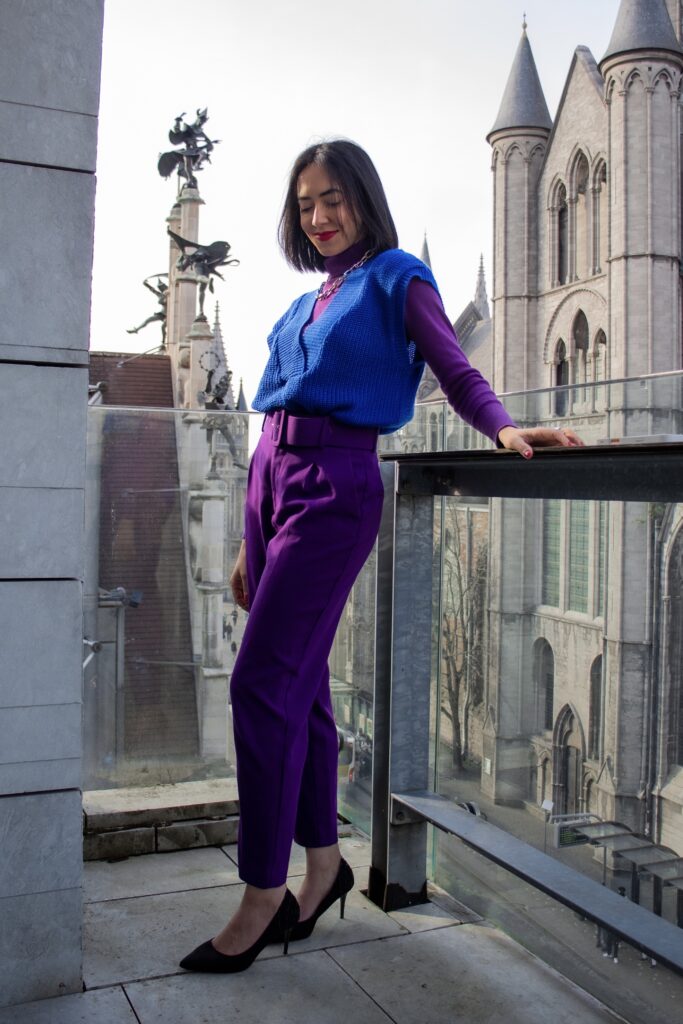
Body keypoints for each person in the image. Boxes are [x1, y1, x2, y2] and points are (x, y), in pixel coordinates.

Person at [180, 139, 582, 974]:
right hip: (270, 481)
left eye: (333, 199)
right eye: (304, 206)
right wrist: (247, 538)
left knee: (259, 685)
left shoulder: (398, 276)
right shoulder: (302, 306)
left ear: (362, 199)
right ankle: (323, 863)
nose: (319, 218)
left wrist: (504, 426)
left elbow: (454, 366)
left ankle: (265, 892)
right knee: (302, 688)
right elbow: (268, 418)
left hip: (335, 486)